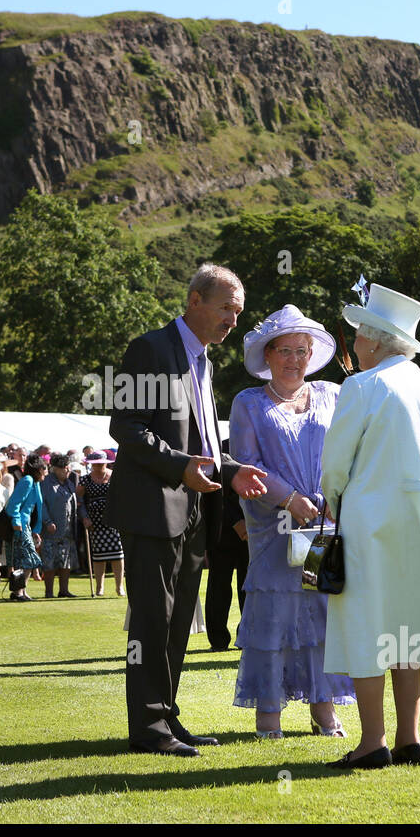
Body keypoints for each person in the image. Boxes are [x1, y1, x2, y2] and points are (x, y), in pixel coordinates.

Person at [107, 263, 268, 757]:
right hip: (153, 510)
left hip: (195, 512)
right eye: (226, 308)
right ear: (194, 300)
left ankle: (167, 721)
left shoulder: (204, 360)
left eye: (238, 312)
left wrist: (232, 468)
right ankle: (149, 730)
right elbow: (127, 427)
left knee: (179, 623)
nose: (232, 321)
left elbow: (200, 439)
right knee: (153, 622)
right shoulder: (150, 349)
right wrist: (180, 468)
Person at [320, 283, 420, 770]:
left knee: (365, 624)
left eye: (358, 335)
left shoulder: (362, 387)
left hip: (368, 520)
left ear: (375, 341)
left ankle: (372, 742)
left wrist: (332, 499)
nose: (353, 344)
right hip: (419, 520)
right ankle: (409, 738)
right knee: (407, 630)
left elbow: (335, 463)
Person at [227, 304, 356, 738]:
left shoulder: (331, 394)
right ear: (267, 355)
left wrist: (338, 496)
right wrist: (289, 500)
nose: (294, 360)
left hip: (323, 526)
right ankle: (269, 716)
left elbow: (347, 452)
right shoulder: (248, 403)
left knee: (319, 610)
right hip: (272, 526)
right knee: (274, 615)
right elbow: (246, 463)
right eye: (285, 350)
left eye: (303, 351)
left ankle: (324, 711)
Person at [205, 437, 249, 652]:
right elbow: (214, 489)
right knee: (219, 586)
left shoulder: (258, 444)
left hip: (252, 529)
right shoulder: (221, 448)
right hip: (222, 529)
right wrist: (235, 521)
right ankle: (218, 639)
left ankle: (246, 635)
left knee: (247, 586)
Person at [77, 450, 124, 596]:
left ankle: (119, 586)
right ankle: (99, 587)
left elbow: (123, 496)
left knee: (118, 554)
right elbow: (79, 501)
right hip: (94, 522)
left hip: (114, 520)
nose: (98, 467)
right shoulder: (85, 480)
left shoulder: (115, 476)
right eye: (95, 464)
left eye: (101, 464)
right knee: (99, 556)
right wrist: (84, 517)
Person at [4, 452, 46, 602]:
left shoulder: (35, 483)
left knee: (26, 560)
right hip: (20, 525)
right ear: (38, 469)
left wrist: (36, 530)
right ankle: (18, 591)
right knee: (28, 559)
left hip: (26, 525)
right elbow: (14, 504)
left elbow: (36, 510)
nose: (46, 472)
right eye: (44, 468)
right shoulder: (27, 481)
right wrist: (16, 522)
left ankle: (20, 591)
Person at [38, 453, 79, 598]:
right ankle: (48, 592)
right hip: (51, 530)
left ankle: (64, 590)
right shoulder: (46, 483)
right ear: (54, 468)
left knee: (66, 561)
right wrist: (48, 522)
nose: (67, 471)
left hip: (67, 530)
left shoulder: (69, 483)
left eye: (68, 468)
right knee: (49, 562)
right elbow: (41, 505)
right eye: (63, 468)